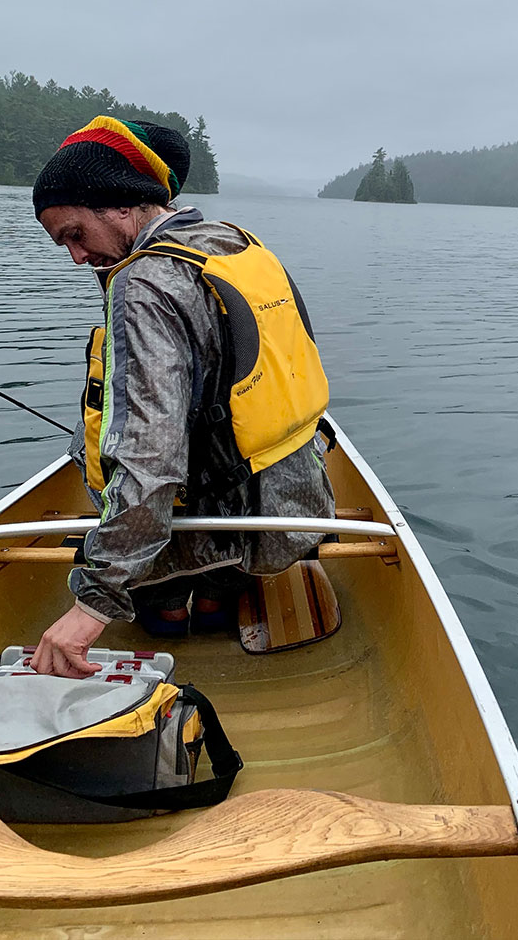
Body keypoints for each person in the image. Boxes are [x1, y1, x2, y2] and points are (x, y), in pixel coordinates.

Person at [29, 115, 334, 678]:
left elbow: (150, 459)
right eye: (62, 243)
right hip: (286, 506)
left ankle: (169, 620)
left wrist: (92, 603)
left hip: (198, 525)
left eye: (75, 233)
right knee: (217, 583)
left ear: (123, 204)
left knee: (159, 603)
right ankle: (218, 612)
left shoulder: (142, 284)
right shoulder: (237, 244)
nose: (75, 256)